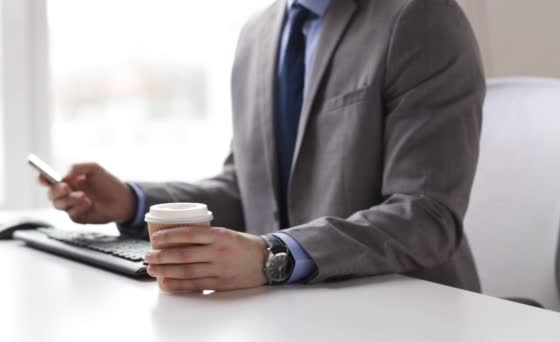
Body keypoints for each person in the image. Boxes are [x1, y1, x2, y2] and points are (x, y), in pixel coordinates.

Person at [41, 0, 485, 292]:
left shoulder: (420, 17)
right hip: (293, 312)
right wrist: (136, 204)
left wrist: (273, 255)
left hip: (405, 312)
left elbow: (427, 216)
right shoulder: (257, 33)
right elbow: (247, 189)